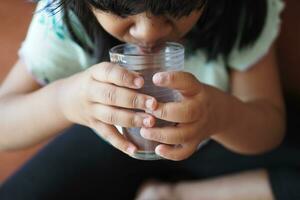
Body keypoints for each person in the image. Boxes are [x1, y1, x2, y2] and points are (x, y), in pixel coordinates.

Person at [0, 0, 289, 199]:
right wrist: (65, 101)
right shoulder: (62, 19)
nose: (147, 33)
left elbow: (268, 127)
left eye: (174, 8)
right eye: (123, 10)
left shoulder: (239, 10)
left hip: (215, 146)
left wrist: (219, 115)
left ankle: (178, 196)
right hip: (112, 141)